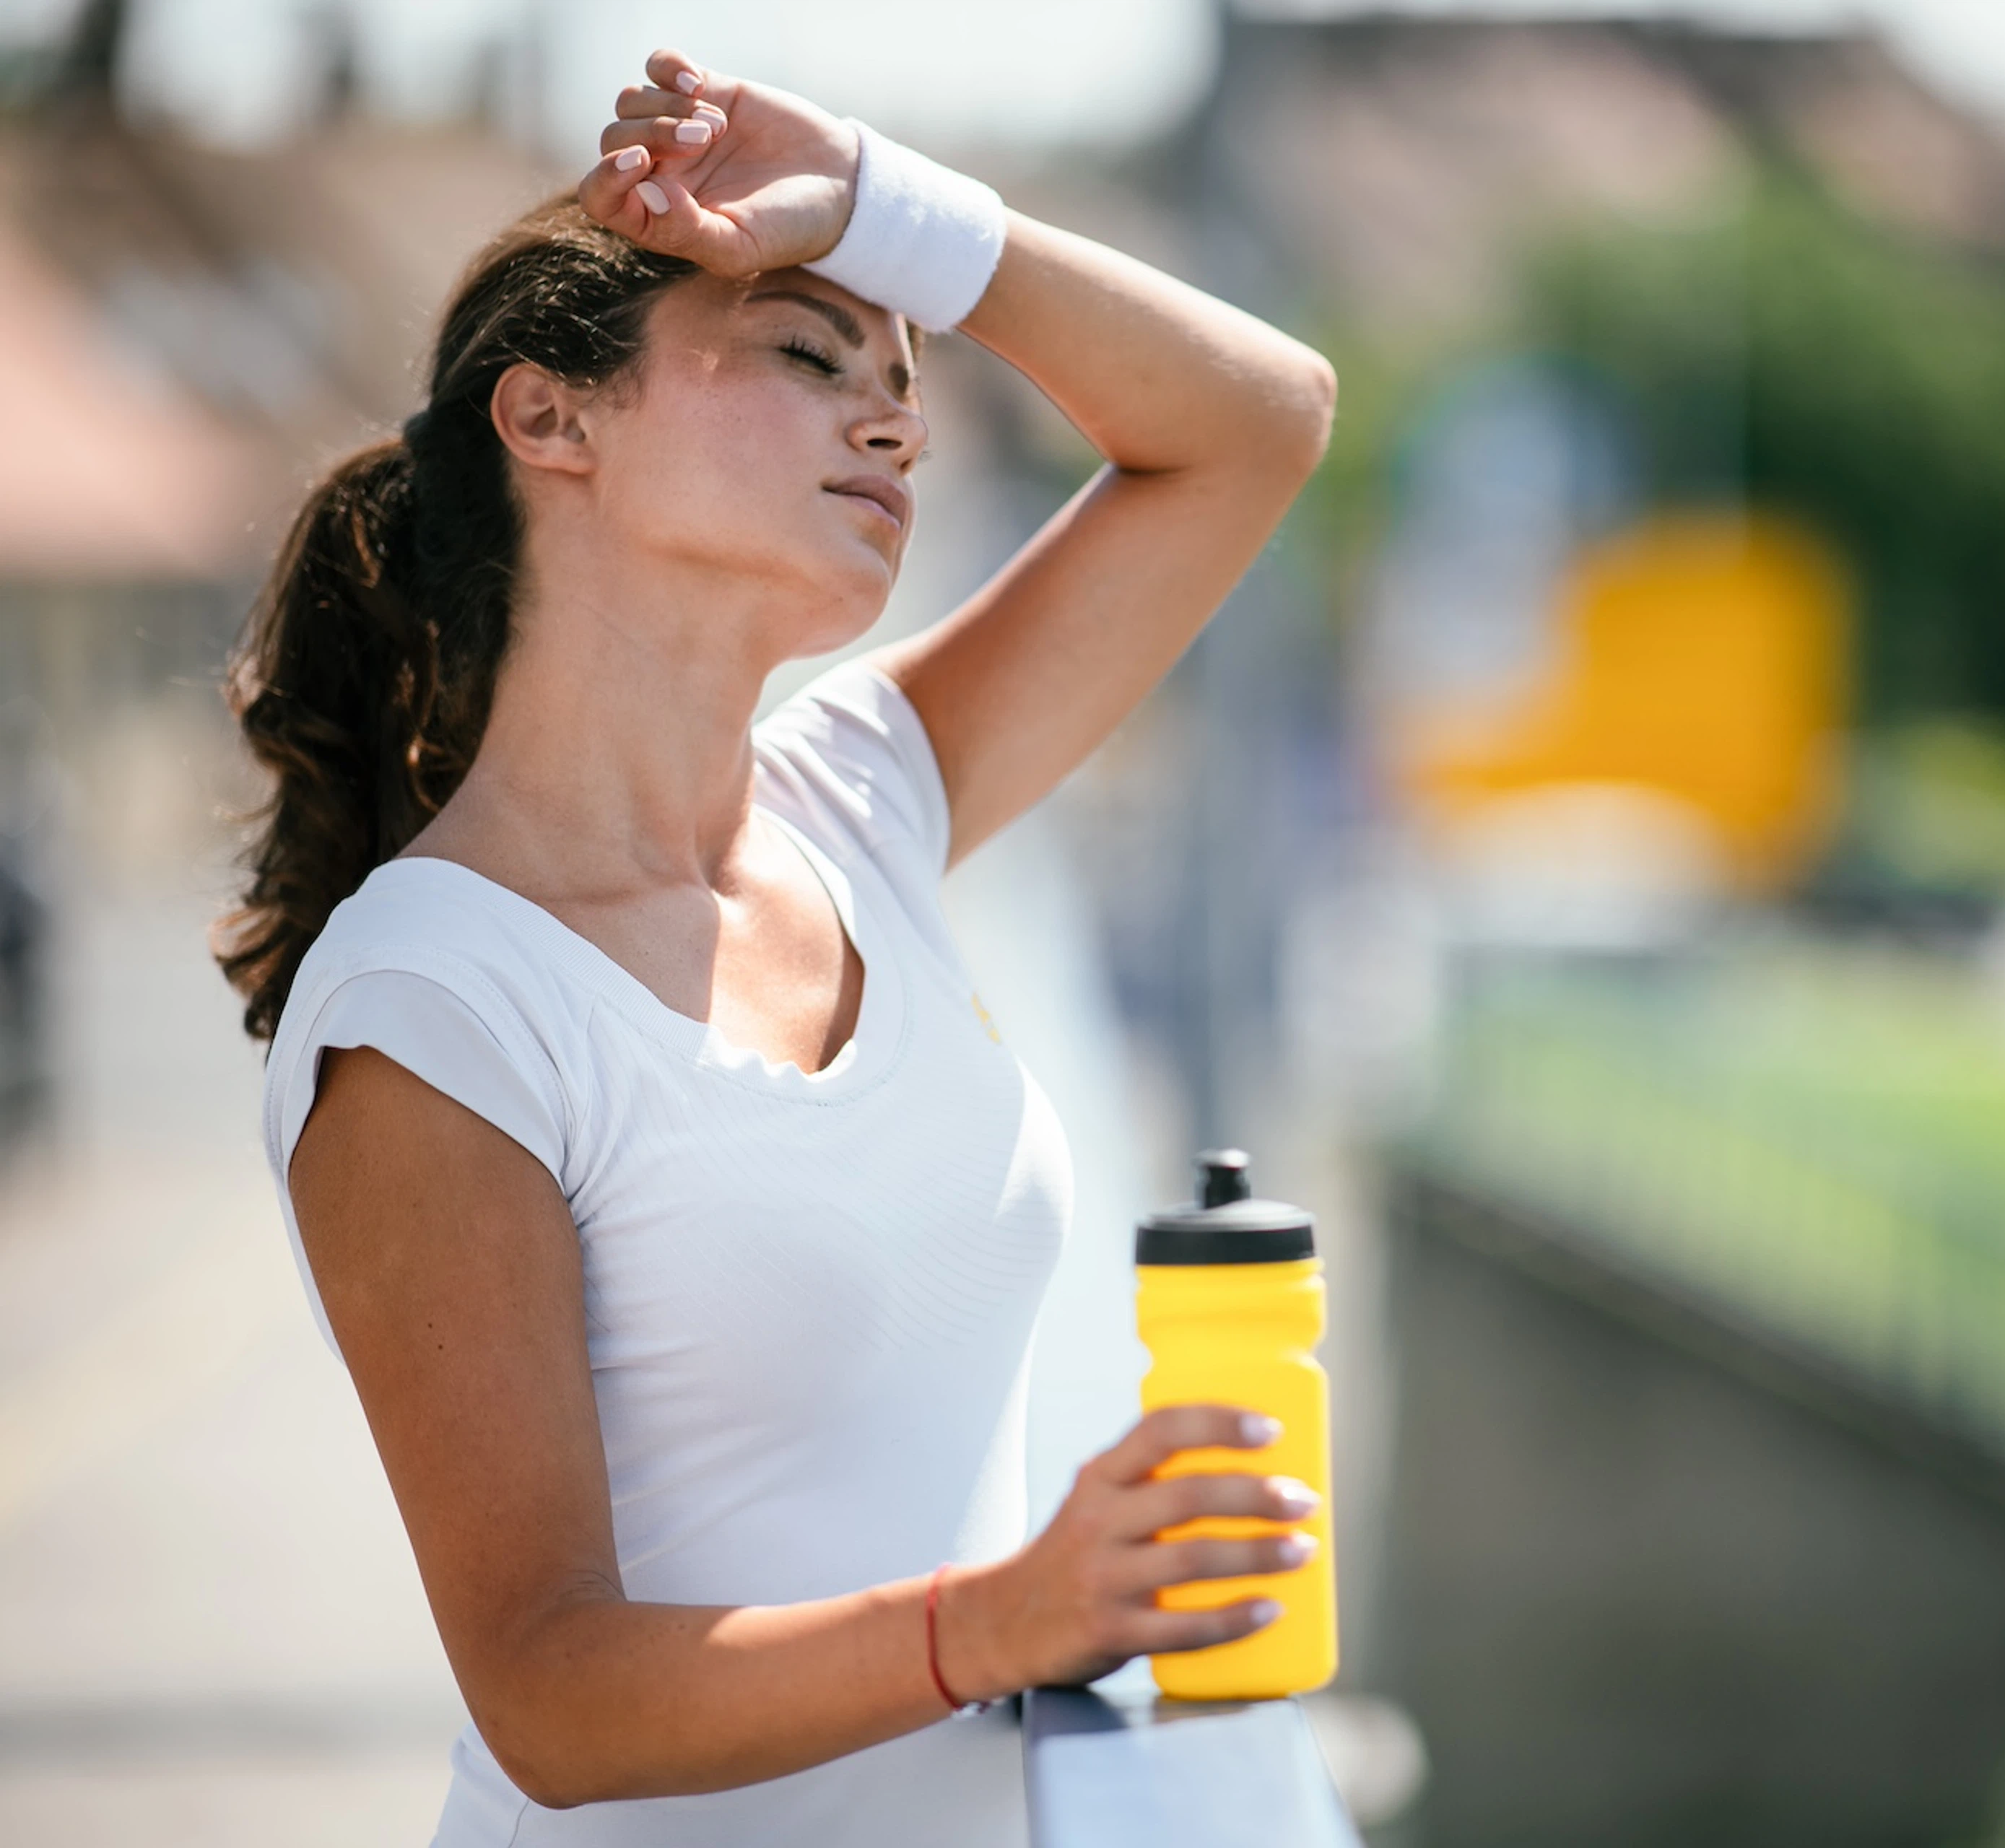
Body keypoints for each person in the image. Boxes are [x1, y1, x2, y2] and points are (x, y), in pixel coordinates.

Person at [214, 49, 1336, 1845]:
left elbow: (1260, 418)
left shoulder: (859, 804)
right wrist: (999, 1619)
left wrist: (883, 201)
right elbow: (547, 1687)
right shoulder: (434, 1001)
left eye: (905, 388)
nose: (895, 427)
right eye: (811, 357)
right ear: (551, 419)